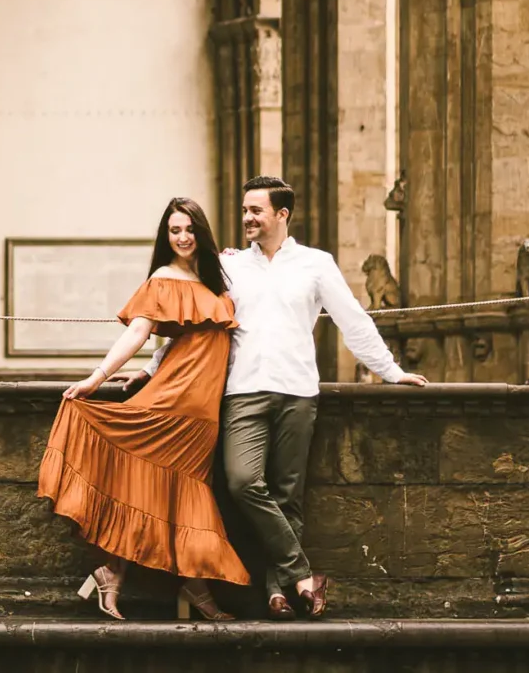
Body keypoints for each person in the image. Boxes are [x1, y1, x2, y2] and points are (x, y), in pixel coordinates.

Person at [128, 175, 428, 621]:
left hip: (298, 392)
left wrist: (391, 371)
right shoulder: (228, 266)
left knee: (287, 494)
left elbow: (353, 321)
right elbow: (193, 325)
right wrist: (152, 368)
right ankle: (304, 573)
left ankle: (278, 592)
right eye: (245, 210)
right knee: (242, 482)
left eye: (255, 211)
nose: (246, 218)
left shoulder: (316, 264)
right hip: (242, 392)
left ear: (281, 215)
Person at [38, 198, 249, 621]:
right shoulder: (163, 277)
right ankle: (172, 583)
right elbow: (139, 332)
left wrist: (148, 369)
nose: (183, 237)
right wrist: (97, 378)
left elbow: (187, 338)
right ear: (165, 236)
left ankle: (119, 573)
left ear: (201, 232)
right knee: (148, 487)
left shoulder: (216, 278)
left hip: (202, 411)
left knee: (177, 491)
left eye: (189, 229)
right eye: (174, 230)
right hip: (172, 398)